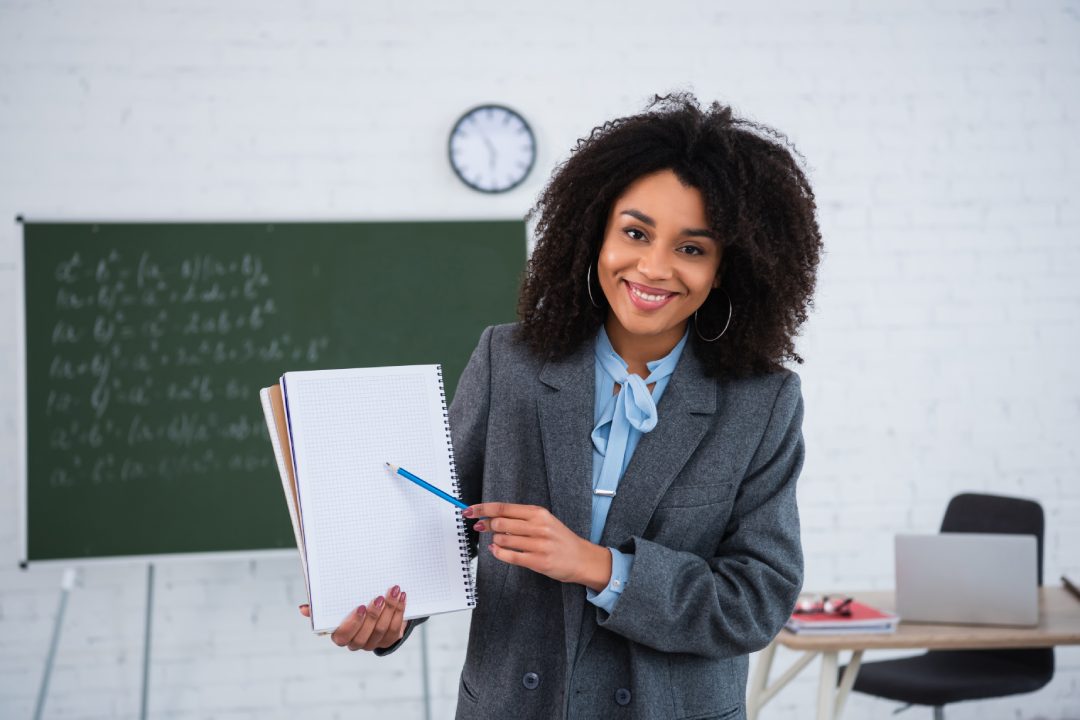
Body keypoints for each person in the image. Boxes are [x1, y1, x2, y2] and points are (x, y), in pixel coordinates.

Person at [300, 92, 823, 719]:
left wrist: (601, 567)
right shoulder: (509, 361)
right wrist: (387, 613)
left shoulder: (761, 404)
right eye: (635, 233)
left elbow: (755, 601)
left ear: (726, 268)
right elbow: (440, 528)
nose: (653, 268)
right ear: (593, 233)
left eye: (691, 248)